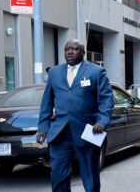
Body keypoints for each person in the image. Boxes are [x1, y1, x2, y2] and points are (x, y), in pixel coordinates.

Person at [36, 39, 114, 192]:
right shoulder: (54, 72)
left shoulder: (96, 72)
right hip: (60, 133)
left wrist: (102, 121)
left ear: (83, 53)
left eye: (75, 49)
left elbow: (106, 100)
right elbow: (46, 103)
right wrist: (43, 128)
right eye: (67, 49)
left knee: (90, 177)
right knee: (58, 175)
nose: (70, 52)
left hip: (87, 132)